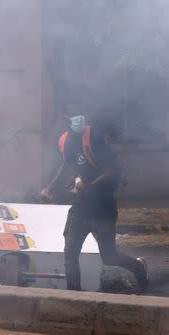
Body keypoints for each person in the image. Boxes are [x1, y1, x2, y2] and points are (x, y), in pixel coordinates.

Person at [41, 115, 148, 292]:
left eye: (80, 116)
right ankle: (75, 298)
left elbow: (112, 170)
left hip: (103, 206)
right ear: (66, 121)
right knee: (70, 253)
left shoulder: (95, 138)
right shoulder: (65, 141)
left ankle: (138, 268)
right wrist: (49, 188)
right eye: (73, 116)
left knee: (109, 257)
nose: (78, 120)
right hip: (80, 207)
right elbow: (66, 166)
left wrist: (89, 186)